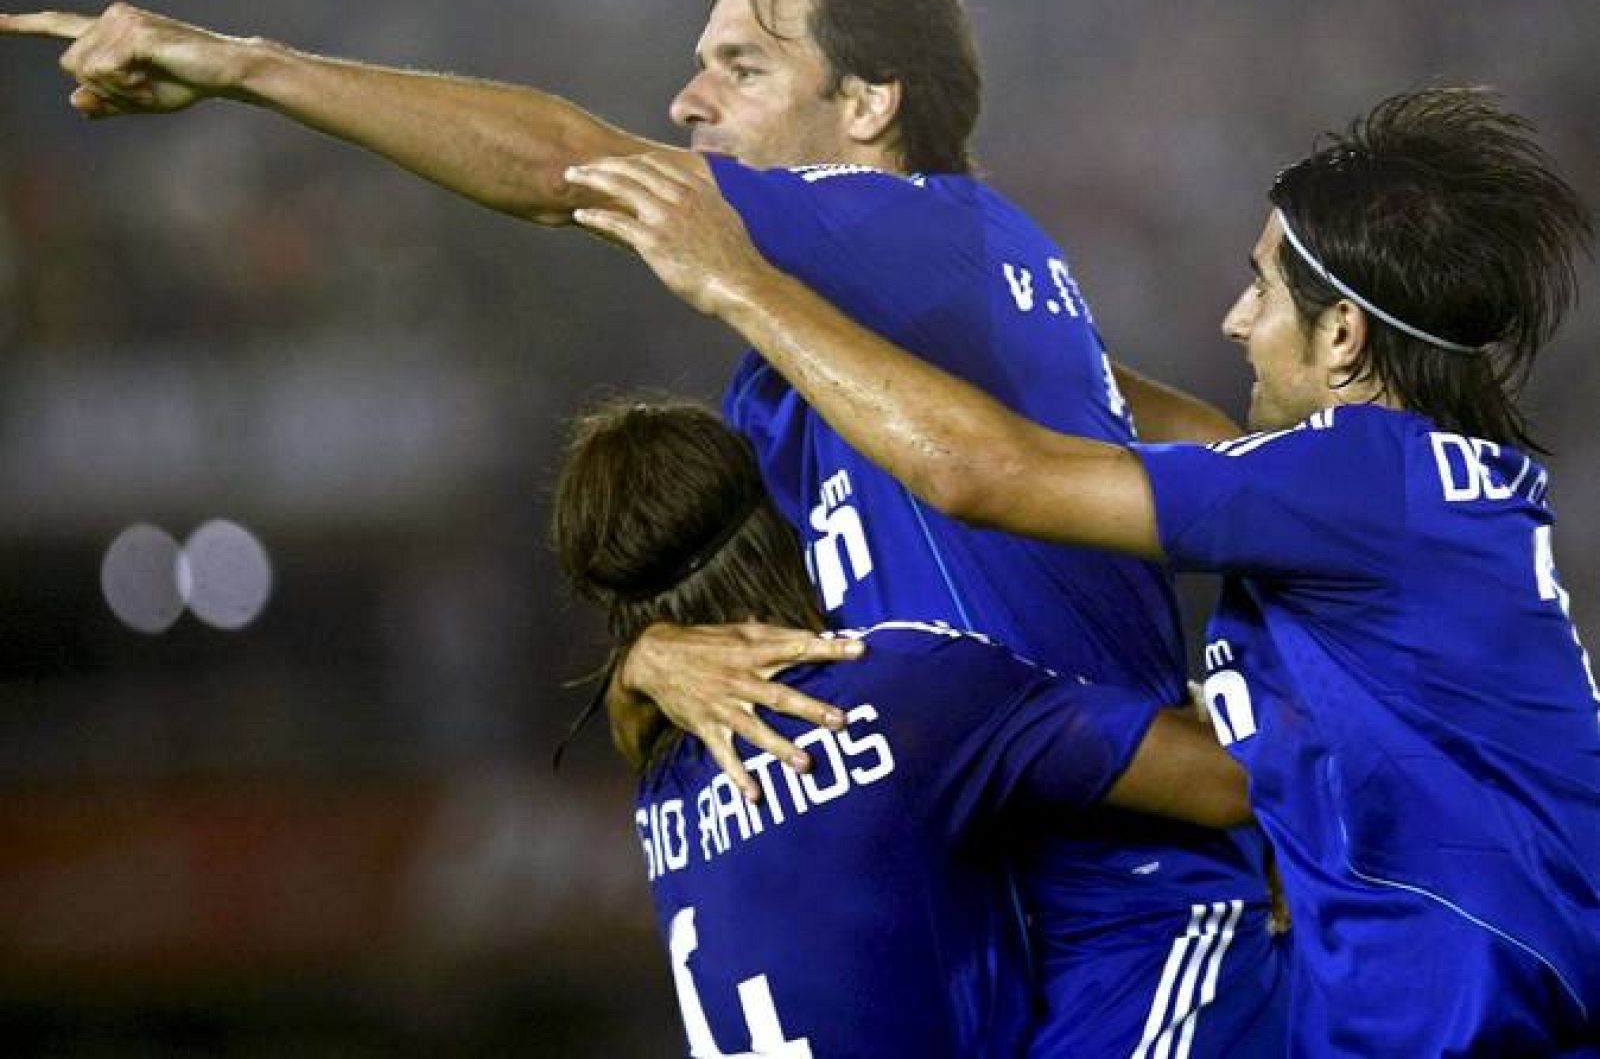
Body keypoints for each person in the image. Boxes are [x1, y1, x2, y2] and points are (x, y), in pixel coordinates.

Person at [2, 0, 1286, 1054]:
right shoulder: (848, 357)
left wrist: (245, 66)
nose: (686, 101)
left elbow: (570, 171)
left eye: (741, 65)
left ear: (868, 106)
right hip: (1002, 935)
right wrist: (648, 662)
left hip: (1137, 906)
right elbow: (1153, 447)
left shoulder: (896, 218)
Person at [567, 86, 1600, 1055]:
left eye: (1260, 288)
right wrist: (645, 661)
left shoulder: (1364, 478)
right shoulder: (1390, 501)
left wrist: (737, 280)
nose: (1235, 321)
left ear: (1341, 334)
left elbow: (987, 472)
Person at [552, 397, 1257, 1058]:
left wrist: (639, 662)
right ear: (776, 515)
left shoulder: (660, 787)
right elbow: (1235, 782)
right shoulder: (903, 689)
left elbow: (631, 724)